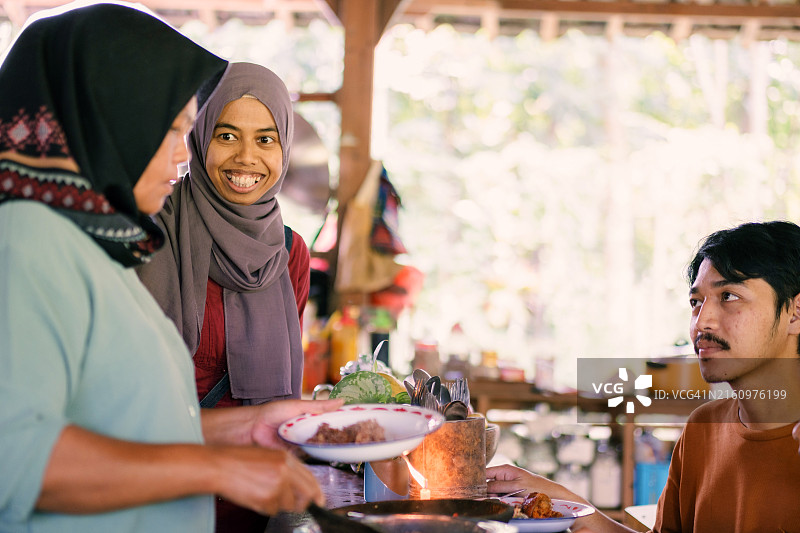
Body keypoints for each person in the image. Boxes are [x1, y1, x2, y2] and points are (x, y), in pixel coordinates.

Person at [0, 4, 341, 532]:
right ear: (110, 121)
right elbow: (13, 455)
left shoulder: (107, 253)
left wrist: (255, 424)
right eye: (175, 131)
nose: (185, 157)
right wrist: (216, 466)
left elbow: (135, 426)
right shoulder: (28, 239)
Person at [487, 221, 800, 532]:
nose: (701, 322)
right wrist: (572, 508)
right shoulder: (703, 429)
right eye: (695, 302)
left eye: (729, 296)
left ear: (795, 313)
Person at [136, 62, 311, 532]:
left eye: (266, 139)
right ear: (201, 137)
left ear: (285, 147)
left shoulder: (291, 253)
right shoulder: (149, 230)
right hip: (157, 487)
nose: (246, 158)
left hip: (254, 493)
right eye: (227, 135)